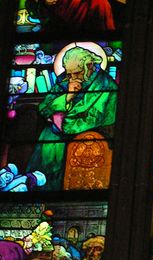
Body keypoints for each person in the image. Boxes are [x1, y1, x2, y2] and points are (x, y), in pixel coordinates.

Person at [26, 46, 118, 190]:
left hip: (92, 135)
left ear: (90, 66)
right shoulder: (64, 80)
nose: (72, 78)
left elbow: (93, 119)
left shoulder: (105, 86)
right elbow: (44, 108)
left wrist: (62, 121)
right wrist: (67, 97)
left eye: (77, 73)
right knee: (48, 140)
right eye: (69, 74)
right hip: (57, 133)